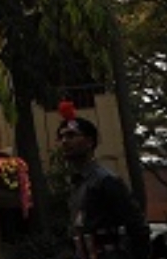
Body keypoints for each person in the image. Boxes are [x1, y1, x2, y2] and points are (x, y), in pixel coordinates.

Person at [58, 101, 152, 259]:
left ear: (89, 142)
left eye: (71, 135)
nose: (64, 141)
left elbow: (137, 226)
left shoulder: (106, 180)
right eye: (61, 137)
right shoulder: (76, 183)